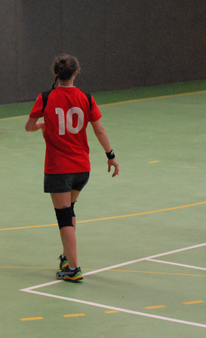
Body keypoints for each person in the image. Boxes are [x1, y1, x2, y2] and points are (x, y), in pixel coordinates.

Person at [25, 55, 120, 281]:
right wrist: (111, 156)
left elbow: (29, 126)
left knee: (64, 217)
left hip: (59, 168)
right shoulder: (86, 97)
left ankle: (73, 268)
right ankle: (67, 257)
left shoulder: (46, 97)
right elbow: (99, 130)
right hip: (81, 168)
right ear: (76, 73)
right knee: (70, 210)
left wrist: (41, 125)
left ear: (55, 73)